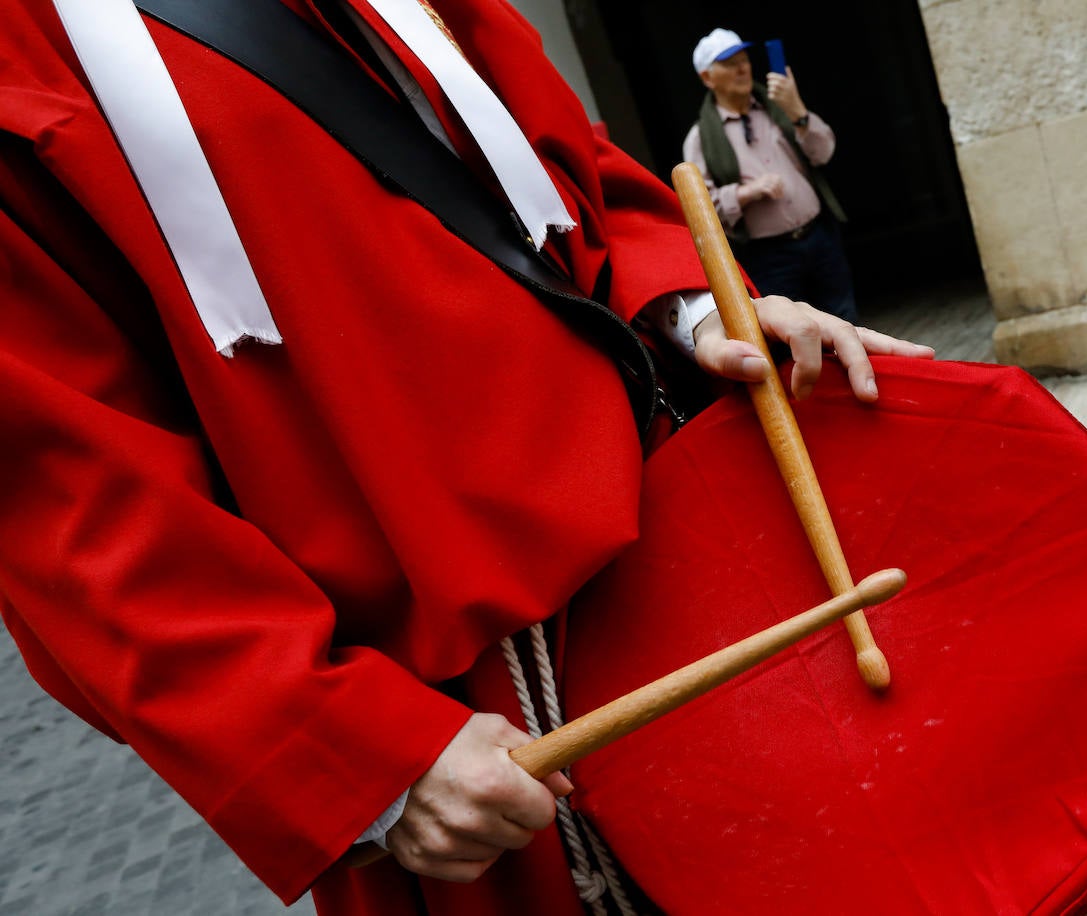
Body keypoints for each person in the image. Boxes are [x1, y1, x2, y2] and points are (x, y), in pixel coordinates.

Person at [0, 1, 933, 913]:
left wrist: (698, 309)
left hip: (687, 574)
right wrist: (350, 747)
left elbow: (571, 176)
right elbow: (62, 485)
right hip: (464, 720)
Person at [683, 28, 859, 324]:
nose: (742, 68)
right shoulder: (700, 138)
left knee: (846, 319)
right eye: (729, 63)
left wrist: (798, 112)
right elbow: (701, 208)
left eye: (744, 59)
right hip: (768, 257)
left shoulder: (778, 106)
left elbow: (824, 152)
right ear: (707, 78)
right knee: (796, 334)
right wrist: (747, 192)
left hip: (819, 236)